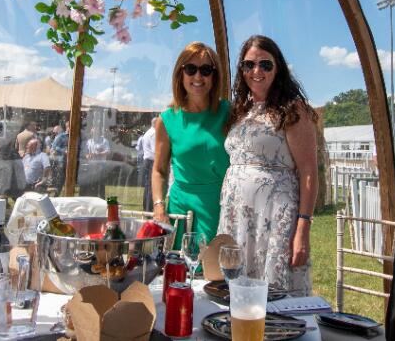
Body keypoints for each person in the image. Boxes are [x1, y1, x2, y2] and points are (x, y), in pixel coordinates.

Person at [217, 35, 318, 297]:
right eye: (249, 65)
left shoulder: (293, 110)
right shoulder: (241, 110)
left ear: (278, 68)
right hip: (237, 217)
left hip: (274, 217)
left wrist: (302, 229)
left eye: (265, 64)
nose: (256, 71)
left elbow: (308, 172)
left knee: (273, 295)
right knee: (236, 290)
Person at [152, 42, 230, 245]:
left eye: (206, 70)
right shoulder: (167, 119)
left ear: (214, 76)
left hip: (220, 204)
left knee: (214, 270)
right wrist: (159, 206)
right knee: (179, 269)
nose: (198, 77)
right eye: (190, 69)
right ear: (181, 74)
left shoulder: (230, 113)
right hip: (180, 207)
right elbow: (159, 170)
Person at [136, 117, 158, 212]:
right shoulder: (153, 133)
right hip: (151, 161)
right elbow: (155, 150)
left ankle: (146, 207)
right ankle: (149, 208)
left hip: (147, 161)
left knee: (148, 186)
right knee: (151, 186)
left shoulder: (149, 132)